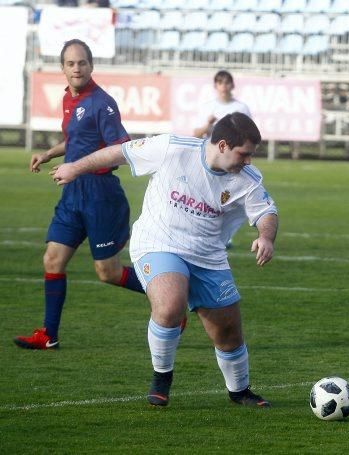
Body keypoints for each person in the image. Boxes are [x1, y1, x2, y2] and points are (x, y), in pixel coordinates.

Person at [51, 113, 278, 408]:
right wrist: (74, 168)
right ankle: (162, 377)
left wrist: (266, 236)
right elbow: (119, 152)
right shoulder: (172, 148)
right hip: (159, 242)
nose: (248, 161)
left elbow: (266, 212)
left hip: (208, 254)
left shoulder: (247, 179)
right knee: (170, 304)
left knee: (227, 331)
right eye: (244, 154)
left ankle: (240, 391)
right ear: (222, 145)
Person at [14, 39, 146, 350]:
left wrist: (81, 168)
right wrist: (49, 154)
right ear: (62, 68)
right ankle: (49, 334)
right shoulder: (68, 100)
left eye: (82, 62)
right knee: (53, 258)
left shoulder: (103, 103)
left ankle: (172, 298)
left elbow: (120, 150)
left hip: (100, 195)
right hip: (72, 194)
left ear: (91, 65)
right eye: (71, 63)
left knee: (108, 272)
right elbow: (76, 140)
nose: (77, 68)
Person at [193, 70, 253, 248]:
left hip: (231, 160)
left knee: (229, 198)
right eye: (220, 83)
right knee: (205, 197)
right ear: (215, 86)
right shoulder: (206, 107)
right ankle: (202, 232)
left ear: (232, 85)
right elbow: (196, 134)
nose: (224, 86)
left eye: (227, 83)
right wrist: (208, 125)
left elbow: (249, 136)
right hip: (210, 159)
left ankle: (226, 235)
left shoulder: (241, 108)